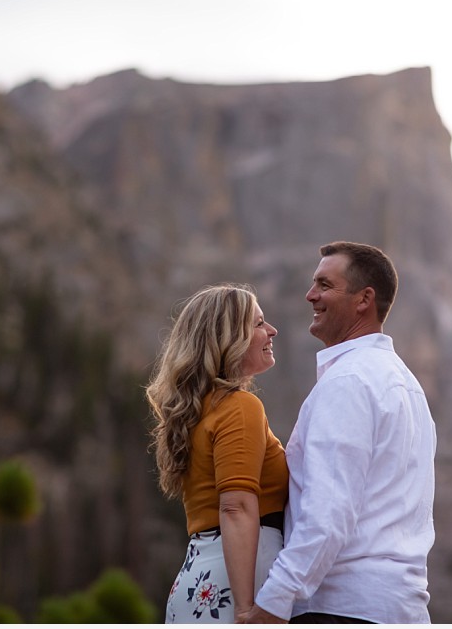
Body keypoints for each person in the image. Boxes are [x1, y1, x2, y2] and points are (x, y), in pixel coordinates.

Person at [244, 241, 437, 624]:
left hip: (342, 608)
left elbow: (328, 512)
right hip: (400, 609)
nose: (310, 295)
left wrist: (271, 606)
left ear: (364, 299)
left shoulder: (349, 381)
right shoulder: (408, 387)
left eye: (325, 285)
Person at [146, 284, 288, 623]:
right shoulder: (239, 407)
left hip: (199, 578)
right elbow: (236, 506)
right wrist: (244, 609)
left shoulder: (198, 412)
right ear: (227, 338)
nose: (272, 331)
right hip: (235, 586)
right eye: (258, 323)